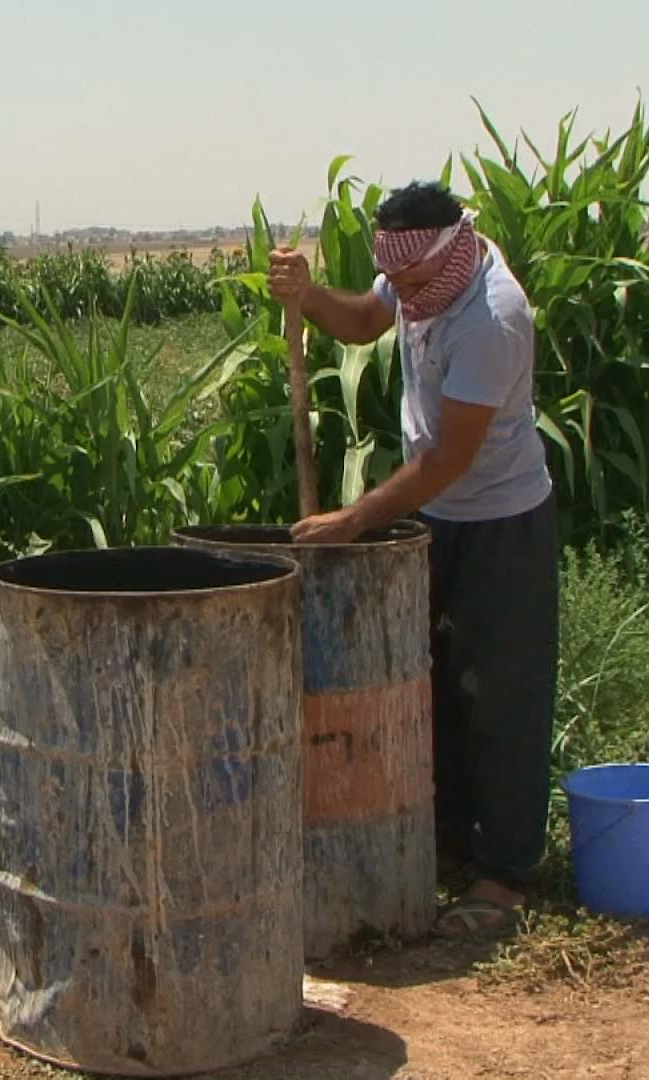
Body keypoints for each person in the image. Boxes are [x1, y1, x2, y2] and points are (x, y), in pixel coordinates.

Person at [269, 180, 558, 937]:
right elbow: (365, 320)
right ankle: (452, 843)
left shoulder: (493, 316)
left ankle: (505, 875)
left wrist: (353, 521)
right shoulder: (417, 274)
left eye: (412, 281)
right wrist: (308, 297)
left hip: (501, 521)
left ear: (451, 253)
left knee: (502, 694)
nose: (402, 294)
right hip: (435, 517)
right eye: (394, 278)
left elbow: (446, 460)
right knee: (430, 684)